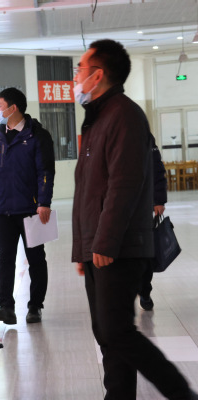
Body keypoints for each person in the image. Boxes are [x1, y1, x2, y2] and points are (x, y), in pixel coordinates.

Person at [72, 39, 197, 400]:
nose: (76, 77)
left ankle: (182, 394)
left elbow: (123, 185)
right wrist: (83, 247)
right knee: (107, 333)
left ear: (97, 75)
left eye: (80, 69)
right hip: (99, 244)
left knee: (117, 332)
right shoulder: (97, 117)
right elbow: (88, 189)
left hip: (119, 246)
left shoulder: (123, 115)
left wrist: (104, 241)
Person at [0, 87, 55, 325]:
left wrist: (44, 202)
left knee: (36, 259)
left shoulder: (37, 136)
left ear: (13, 108)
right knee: (5, 258)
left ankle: (35, 306)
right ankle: (6, 307)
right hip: (3, 210)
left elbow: (45, 171)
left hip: (31, 210)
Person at [139, 135, 168, 311]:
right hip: (116, 206)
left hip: (142, 205)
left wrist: (159, 200)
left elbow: (157, 168)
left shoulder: (144, 135)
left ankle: (144, 290)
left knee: (146, 252)